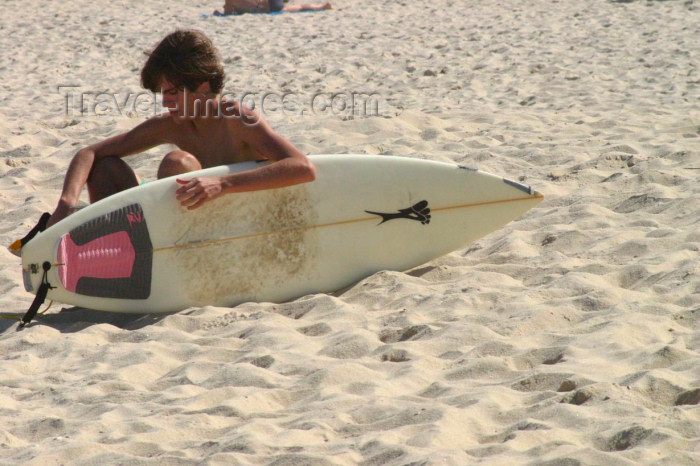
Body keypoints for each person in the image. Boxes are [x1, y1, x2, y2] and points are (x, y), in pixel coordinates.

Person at [46, 29, 316, 228]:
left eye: (173, 92)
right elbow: (89, 153)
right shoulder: (172, 125)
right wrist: (65, 204)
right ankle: (115, 244)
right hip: (179, 224)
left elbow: (302, 167)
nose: (165, 101)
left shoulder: (236, 118)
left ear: (201, 85)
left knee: (177, 162)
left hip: (239, 222)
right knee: (104, 167)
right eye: (162, 93)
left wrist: (223, 183)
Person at [214, 0, 332, 16]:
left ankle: (319, 7)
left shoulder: (230, 2)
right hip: (268, 2)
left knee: (286, 9)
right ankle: (319, 6)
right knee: (295, 6)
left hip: (268, 6)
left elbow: (228, 13)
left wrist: (218, 14)